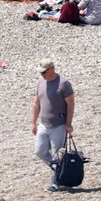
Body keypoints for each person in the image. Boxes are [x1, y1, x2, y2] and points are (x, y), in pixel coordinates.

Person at [31, 58, 75, 192]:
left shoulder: (63, 84)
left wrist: (68, 123)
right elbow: (36, 103)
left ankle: (55, 182)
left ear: (51, 70)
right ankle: (57, 168)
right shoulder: (40, 82)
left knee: (57, 154)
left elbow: (71, 104)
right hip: (43, 124)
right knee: (39, 151)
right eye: (41, 73)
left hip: (59, 125)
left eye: (44, 72)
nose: (42, 75)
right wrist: (33, 122)